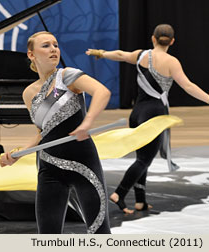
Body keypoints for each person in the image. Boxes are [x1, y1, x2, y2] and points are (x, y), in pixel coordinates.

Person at [86, 24, 209, 214]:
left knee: (142, 158)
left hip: (137, 113)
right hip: (154, 113)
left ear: (153, 38)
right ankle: (119, 193)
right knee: (144, 160)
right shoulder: (172, 62)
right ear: (172, 41)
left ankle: (140, 202)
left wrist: (101, 52)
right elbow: (189, 87)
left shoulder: (142, 55)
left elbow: (119, 55)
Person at [0, 31, 111, 234]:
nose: (53, 49)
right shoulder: (29, 93)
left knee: (99, 233)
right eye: (46, 45)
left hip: (84, 164)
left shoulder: (67, 76)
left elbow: (102, 92)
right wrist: (18, 154)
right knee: (48, 237)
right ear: (31, 55)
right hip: (49, 168)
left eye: (56, 45)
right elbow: (42, 132)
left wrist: (87, 123)